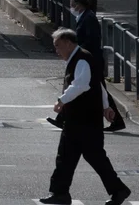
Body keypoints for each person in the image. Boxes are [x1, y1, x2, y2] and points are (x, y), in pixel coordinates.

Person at [38, 29, 130, 205]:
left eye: (58, 46)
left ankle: (118, 190)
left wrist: (61, 100)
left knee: (90, 157)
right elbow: (98, 85)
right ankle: (60, 193)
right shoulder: (81, 58)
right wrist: (106, 107)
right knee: (68, 156)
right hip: (81, 120)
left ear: (68, 43)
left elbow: (81, 85)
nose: (56, 51)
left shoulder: (81, 59)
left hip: (84, 120)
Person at [48, 0, 126, 132]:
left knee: (81, 85)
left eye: (72, 4)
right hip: (90, 60)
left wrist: (77, 51)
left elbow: (91, 40)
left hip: (91, 61)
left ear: (78, 4)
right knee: (91, 87)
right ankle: (63, 118)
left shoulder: (88, 18)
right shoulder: (85, 17)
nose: (71, 8)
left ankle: (115, 120)